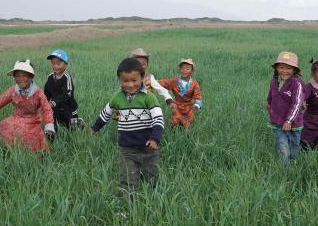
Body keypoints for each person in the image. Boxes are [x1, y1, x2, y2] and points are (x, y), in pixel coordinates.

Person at [90, 57, 164, 197]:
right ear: (120, 80)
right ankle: (125, 206)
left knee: (151, 177)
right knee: (127, 179)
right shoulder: (117, 98)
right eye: (125, 81)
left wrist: (155, 138)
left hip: (148, 148)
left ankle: (154, 199)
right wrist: (94, 128)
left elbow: (158, 119)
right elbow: (106, 113)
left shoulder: (149, 98)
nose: (130, 85)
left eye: (134, 80)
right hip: (127, 149)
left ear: (142, 78)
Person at [0, 60, 55, 152]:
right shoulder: (13, 90)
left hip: (32, 120)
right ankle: (2, 147)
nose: (21, 79)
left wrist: (49, 125)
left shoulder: (38, 93)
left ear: (31, 77)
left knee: (29, 136)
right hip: (16, 117)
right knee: (4, 128)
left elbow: (47, 109)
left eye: (24, 75)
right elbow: (2, 100)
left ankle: (27, 153)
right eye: (17, 76)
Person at [266, 51, 305, 164]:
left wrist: (289, 120)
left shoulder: (296, 84)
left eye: (289, 68)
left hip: (294, 123)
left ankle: (294, 163)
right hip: (278, 120)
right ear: (277, 68)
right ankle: (285, 168)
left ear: (294, 70)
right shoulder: (274, 81)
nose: (284, 71)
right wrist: (269, 102)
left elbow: (297, 103)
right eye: (281, 67)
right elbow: (271, 93)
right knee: (282, 145)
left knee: (294, 146)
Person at [158, 58, 203, 128]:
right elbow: (166, 83)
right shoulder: (175, 80)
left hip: (188, 107)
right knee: (174, 122)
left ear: (192, 71)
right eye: (182, 69)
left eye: (187, 69)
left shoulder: (194, 83)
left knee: (188, 124)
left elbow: (198, 95)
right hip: (177, 106)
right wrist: (154, 82)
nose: (184, 71)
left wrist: (197, 104)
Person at [43, 49, 80, 129]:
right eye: (53, 63)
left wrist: (54, 102)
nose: (55, 66)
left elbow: (68, 93)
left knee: (72, 126)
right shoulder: (50, 77)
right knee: (55, 124)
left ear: (65, 64)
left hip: (68, 108)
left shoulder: (66, 77)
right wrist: (44, 102)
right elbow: (47, 92)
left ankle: (80, 130)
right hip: (56, 108)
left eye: (58, 64)